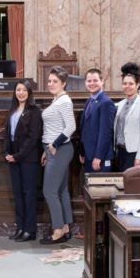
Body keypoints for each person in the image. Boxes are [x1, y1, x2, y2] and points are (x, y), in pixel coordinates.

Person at [3, 79, 43, 242]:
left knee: (29, 194)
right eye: (18, 90)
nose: (20, 93)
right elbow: (7, 134)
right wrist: (6, 152)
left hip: (28, 159)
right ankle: (20, 228)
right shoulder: (12, 110)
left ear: (29, 93)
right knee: (18, 195)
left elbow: (33, 138)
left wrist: (17, 155)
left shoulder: (35, 111)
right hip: (13, 158)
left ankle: (30, 230)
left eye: (24, 90)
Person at [40, 66, 76, 245]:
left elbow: (71, 127)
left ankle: (58, 229)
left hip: (60, 149)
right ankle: (66, 226)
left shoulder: (64, 101)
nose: (51, 84)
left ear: (63, 83)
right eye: (49, 81)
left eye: (55, 81)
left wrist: (53, 145)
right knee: (61, 190)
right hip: (54, 150)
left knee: (49, 190)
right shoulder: (57, 100)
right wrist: (46, 150)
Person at [113, 62, 140, 169]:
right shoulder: (120, 104)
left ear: (137, 85)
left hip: (133, 152)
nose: (127, 86)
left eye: (131, 84)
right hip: (120, 151)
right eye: (125, 84)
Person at [78, 67, 116, 173]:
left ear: (102, 81)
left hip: (100, 157)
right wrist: (82, 152)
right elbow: (84, 129)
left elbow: (105, 133)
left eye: (95, 80)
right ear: (85, 83)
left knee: (101, 188)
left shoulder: (106, 103)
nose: (92, 83)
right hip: (88, 155)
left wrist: (99, 156)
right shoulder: (89, 101)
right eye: (89, 81)